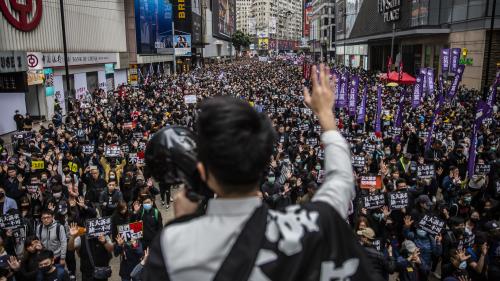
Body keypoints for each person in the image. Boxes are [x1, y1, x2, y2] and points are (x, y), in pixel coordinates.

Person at [143, 65, 374, 280]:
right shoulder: (315, 223)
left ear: (202, 170)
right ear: (265, 159)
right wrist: (325, 114)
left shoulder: (173, 246)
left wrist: (184, 223)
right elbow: (342, 180)